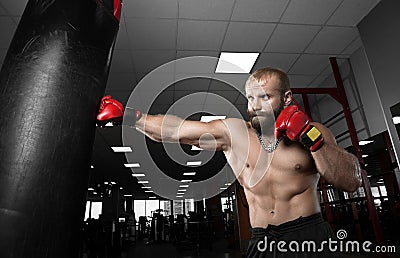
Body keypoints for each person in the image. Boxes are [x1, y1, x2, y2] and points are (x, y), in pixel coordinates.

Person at [97, 67, 362, 257]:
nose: (255, 105)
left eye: (265, 97)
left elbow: (352, 181)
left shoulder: (314, 131)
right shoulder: (234, 134)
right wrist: (129, 116)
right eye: (250, 98)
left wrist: (312, 139)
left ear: (287, 97)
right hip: (262, 241)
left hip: (308, 236)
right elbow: (175, 129)